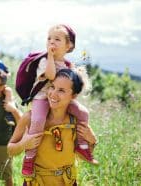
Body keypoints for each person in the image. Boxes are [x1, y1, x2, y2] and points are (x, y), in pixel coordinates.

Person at [20, 24, 98, 177]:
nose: (51, 42)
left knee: (83, 112)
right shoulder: (44, 61)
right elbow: (50, 75)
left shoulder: (68, 65)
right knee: (38, 120)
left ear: (69, 46)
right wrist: (50, 56)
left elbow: (72, 85)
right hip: (42, 98)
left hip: (59, 99)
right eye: (49, 38)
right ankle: (30, 157)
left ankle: (81, 145)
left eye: (57, 39)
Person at [8, 68, 97, 185]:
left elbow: (82, 156)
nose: (53, 94)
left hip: (67, 182)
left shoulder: (75, 122)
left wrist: (92, 141)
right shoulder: (30, 118)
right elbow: (10, 150)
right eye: (52, 87)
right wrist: (23, 144)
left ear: (73, 96)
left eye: (61, 90)